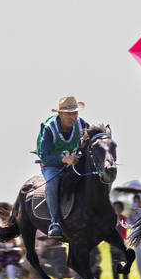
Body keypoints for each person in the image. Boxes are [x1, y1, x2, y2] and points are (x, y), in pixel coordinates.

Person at [36, 96, 90, 238]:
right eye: (69, 114)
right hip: (51, 166)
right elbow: (45, 157)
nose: (73, 117)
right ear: (60, 114)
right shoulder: (49, 129)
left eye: (75, 113)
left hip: (74, 164)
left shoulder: (82, 125)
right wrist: (65, 159)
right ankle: (55, 222)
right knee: (53, 183)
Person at [110, 201, 129, 279]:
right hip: (113, 244)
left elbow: (128, 230)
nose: (116, 209)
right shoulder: (110, 219)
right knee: (114, 263)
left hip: (123, 243)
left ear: (121, 209)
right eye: (115, 208)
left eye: (118, 208)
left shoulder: (125, 218)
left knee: (124, 262)